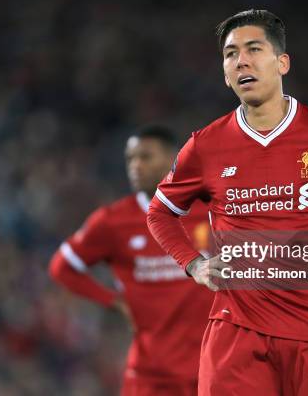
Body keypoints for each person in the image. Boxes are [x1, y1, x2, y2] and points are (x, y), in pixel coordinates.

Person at [147, 10, 308, 395]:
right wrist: (193, 265)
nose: (241, 61)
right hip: (235, 331)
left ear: (282, 62)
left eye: (254, 49)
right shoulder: (205, 146)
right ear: (225, 72)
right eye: (230, 54)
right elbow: (159, 212)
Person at [49, 126, 214, 396]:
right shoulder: (113, 221)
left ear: (173, 159)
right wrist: (113, 301)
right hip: (152, 375)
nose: (135, 166)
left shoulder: (210, 210)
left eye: (145, 157)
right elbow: (62, 267)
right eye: (130, 159)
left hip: (212, 366)